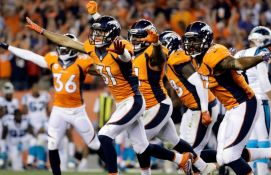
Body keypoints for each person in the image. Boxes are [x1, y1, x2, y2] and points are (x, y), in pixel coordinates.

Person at [23, 1, 194, 174]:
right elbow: (66, 42)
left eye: (100, 32)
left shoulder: (121, 47)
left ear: (110, 35)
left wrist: (121, 53)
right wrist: (42, 31)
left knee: (104, 136)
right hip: (121, 102)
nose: (96, 35)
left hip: (132, 100)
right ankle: (181, 159)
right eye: (95, 31)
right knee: (141, 147)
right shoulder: (91, 47)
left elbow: (127, 58)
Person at [183, 21, 271, 175]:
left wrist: (261, 58)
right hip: (232, 108)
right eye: (188, 40)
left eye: (194, 40)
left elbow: (238, 64)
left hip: (244, 104)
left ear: (205, 40)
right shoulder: (198, 59)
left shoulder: (213, 53)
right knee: (222, 158)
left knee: (230, 155)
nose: (190, 45)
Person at [0, 33, 105, 175]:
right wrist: (8, 47)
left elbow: (103, 69)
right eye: (60, 45)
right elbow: (30, 56)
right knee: (52, 144)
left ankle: (113, 170)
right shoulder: (52, 58)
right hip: (59, 109)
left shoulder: (82, 61)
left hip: (77, 110)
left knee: (94, 144)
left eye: (65, 45)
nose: (61, 48)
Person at [128, 20, 212, 174]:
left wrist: (205, 110)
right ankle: (204, 168)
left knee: (140, 141)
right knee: (176, 141)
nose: (134, 41)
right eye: (133, 37)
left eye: (138, 37)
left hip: (160, 105)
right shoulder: (137, 56)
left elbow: (158, 56)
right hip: (160, 107)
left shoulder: (166, 56)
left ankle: (180, 160)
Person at [159, 31, 218, 156]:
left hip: (202, 107)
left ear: (169, 45)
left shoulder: (177, 58)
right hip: (192, 108)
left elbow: (200, 83)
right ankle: (217, 163)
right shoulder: (170, 61)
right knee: (184, 146)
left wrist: (204, 110)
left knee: (192, 151)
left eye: (162, 46)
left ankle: (226, 160)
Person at [233, 26, 271, 174]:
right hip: (260, 100)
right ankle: (263, 172)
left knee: (251, 141)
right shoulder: (261, 52)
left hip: (245, 102)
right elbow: (263, 80)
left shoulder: (239, 53)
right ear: (261, 40)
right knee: (264, 140)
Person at [21, 83, 50, 169]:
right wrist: (29, 127)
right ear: (31, 89)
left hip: (43, 124)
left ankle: (34, 163)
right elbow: (25, 113)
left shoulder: (45, 96)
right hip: (31, 125)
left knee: (42, 143)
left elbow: (47, 111)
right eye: (34, 88)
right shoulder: (26, 97)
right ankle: (34, 163)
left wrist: (45, 125)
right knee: (33, 143)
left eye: (37, 88)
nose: (36, 90)